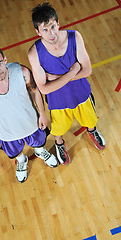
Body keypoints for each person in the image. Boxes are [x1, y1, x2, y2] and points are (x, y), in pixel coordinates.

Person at [0, 44, 59, 183]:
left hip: (31, 123)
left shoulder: (22, 72)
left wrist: (42, 113)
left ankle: (40, 151)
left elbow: (34, 90)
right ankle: (21, 160)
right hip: (7, 133)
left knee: (39, 142)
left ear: (5, 60)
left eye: (0, 63)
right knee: (15, 152)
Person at [28, 2, 105, 165]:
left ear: (58, 22)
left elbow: (87, 71)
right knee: (58, 129)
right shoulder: (34, 53)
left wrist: (54, 78)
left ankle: (92, 131)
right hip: (58, 101)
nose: (51, 33)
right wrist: (71, 72)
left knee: (91, 121)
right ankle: (59, 144)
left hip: (82, 93)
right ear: (37, 31)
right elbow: (43, 88)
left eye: (53, 26)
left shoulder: (74, 36)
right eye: (45, 30)